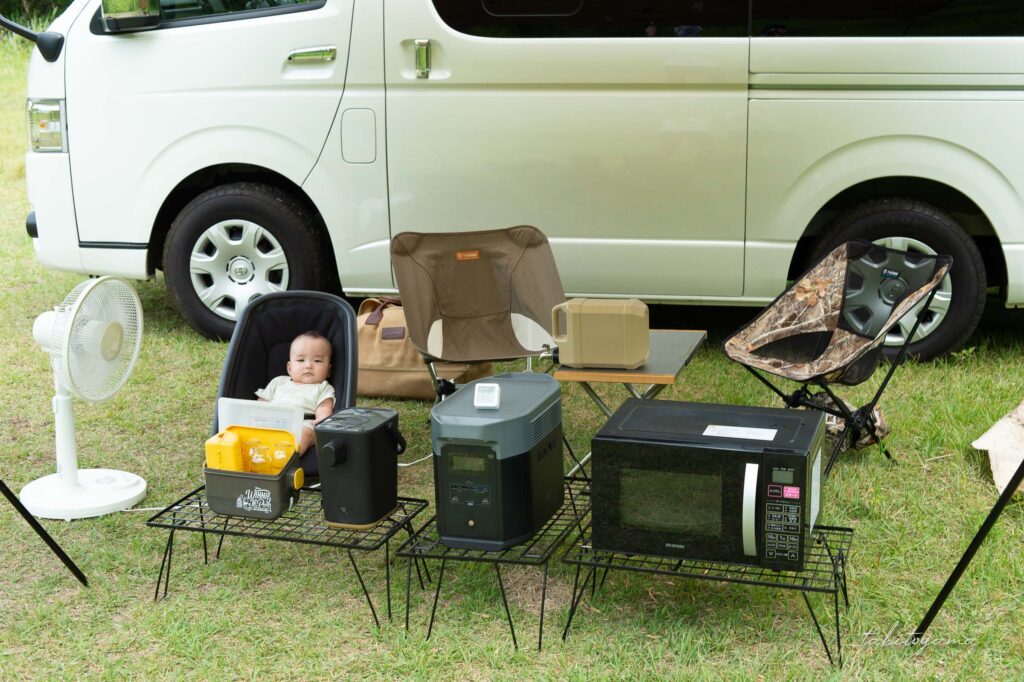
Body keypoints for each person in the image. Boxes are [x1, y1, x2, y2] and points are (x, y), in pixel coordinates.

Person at [255, 330, 335, 476]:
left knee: (307, 433)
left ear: (329, 370)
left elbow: (324, 408)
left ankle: (283, 461)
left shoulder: (322, 387)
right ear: (289, 368)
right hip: (272, 422)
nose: (308, 366)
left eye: (317, 361)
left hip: (303, 423)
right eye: (300, 360)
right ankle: (256, 456)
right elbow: (261, 403)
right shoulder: (278, 382)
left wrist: (321, 421)